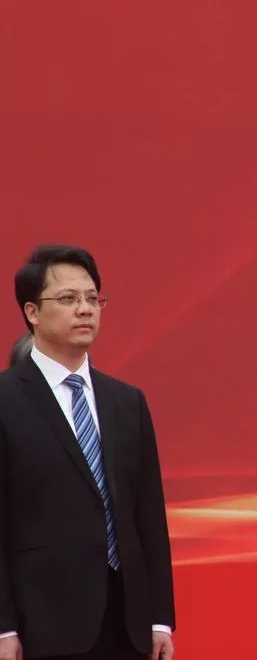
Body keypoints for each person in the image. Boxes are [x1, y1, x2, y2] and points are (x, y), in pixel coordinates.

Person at [0, 245, 174, 660]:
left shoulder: (126, 401)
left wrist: (160, 619)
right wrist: (4, 626)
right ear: (32, 312)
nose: (85, 309)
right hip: (41, 622)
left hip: (127, 623)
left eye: (93, 299)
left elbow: (148, 514)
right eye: (67, 299)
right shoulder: (5, 399)